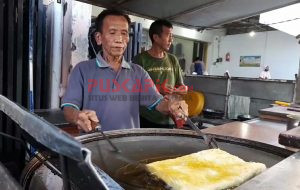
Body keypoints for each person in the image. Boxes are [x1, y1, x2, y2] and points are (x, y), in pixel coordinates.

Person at [61, 9, 188, 132]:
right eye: (112, 32)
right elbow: (69, 108)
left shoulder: (138, 72)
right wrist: (78, 116)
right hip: (94, 145)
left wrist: (173, 106)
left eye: (124, 33)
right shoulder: (82, 70)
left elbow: (159, 103)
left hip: (130, 146)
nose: (119, 39)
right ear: (99, 38)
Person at [133, 19, 187, 129]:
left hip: (170, 119)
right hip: (147, 119)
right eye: (168, 35)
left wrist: (180, 90)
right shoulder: (140, 59)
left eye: (172, 36)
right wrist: (157, 89)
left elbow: (181, 86)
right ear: (156, 37)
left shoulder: (173, 59)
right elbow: (133, 90)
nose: (171, 40)